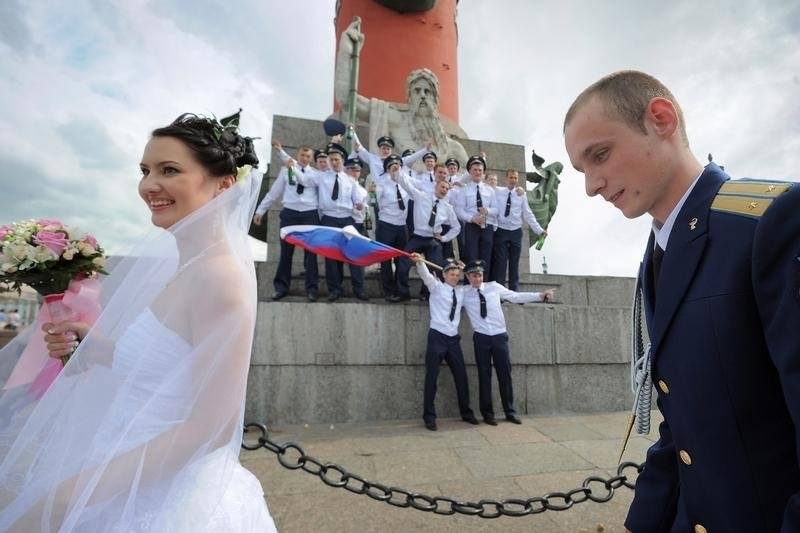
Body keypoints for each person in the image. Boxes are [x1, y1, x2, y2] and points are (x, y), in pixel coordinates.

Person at [0, 113, 277, 531]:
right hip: (123, 465)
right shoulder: (189, 267)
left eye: (170, 170)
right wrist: (95, 345)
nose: (149, 185)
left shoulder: (218, 277)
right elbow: (172, 365)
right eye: (145, 170)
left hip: (156, 493)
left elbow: (212, 425)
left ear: (223, 184)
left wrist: (73, 494)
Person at [563, 70, 800, 533]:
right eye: (582, 170)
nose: (592, 185)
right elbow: (687, 419)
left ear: (661, 119)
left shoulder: (770, 222)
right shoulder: (660, 253)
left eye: (600, 155)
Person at [461, 260, 554, 426]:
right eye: (474, 275)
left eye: (480, 275)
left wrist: (539, 295)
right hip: (481, 338)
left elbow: (515, 296)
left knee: (505, 375)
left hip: (499, 336)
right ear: (467, 276)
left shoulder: (494, 287)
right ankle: (487, 414)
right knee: (484, 376)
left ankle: (509, 411)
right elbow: (445, 291)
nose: (478, 279)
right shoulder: (463, 292)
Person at [409, 254, 478, 431]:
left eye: (457, 275)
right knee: (431, 377)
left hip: (453, 339)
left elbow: (476, 282)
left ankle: (466, 413)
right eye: (451, 274)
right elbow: (425, 275)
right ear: (444, 275)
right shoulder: (436, 287)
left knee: (461, 377)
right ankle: (429, 417)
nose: (455, 277)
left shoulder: (462, 291)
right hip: (437, 337)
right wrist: (420, 262)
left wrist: (466, 270)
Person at [295, 142, 368, 301]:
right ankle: (334, 290)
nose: (334, 162)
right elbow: (304, 180)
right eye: (331, 160)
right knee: (331, 257)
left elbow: (358, 199)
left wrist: (360, 204)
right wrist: (290, 164)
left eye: (337, 159)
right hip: (328, 219)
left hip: (347, 219)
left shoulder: (350, 180)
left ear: (342, 160)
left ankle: (359, 289)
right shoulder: (321, 177)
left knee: (353, 254)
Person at [253, 142, 320, 301]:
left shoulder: (315, 174)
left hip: (309, 214)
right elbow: (273, 193)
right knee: (286, 253)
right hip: (290, 213)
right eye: (302, 155)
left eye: (308, 156)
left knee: (311, 254)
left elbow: (305, 182)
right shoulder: (285, 171)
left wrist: (289, 162)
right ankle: (281, 288)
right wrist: (260, 211)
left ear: (311, 158)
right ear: (297, 155)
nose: (304, 158)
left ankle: (312, 289)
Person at [393, 165, 460, 302]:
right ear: (436, 187)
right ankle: (402, 293)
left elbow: (456, 227)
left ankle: (427, 294)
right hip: (417, 237)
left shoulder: (447, 208)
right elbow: (407, 185)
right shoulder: (421, 197)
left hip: (432, 240)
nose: (444, 191)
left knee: (436, 267)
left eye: (447, 189)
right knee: (403, 262)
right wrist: (397, 171)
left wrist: (444, 238)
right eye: (442, 187)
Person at [491, 169, 547, 290]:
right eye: (511, 178)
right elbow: (484, 187)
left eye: (515, 178)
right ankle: (500, 291)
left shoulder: (521, 194)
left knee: (514, 263)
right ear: (506, 179)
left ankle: (513, 290)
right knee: (500, 263)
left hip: (515, 231)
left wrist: (539, 230)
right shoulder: (498, 191)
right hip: (501, 230)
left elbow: (528, 214)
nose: (513, 180)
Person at [373, 155, 411, 300]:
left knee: (402, 259)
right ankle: (388, 290)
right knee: (386, 260)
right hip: (386, 225)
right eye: (392, 167)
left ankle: (402, 290)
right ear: (387, 169)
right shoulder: (381, 183)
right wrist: (372, 191)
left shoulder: (406, 182)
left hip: (402, 226)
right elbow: (373, 199)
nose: (395, 169)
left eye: (398, 167)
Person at [455, 156, 497, 271]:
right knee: (471, 258)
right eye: (475, 170)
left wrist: (488, 211)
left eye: (480, 170)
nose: (477, 172)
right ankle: (469, 286)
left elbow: (496, 209)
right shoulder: (464, 190)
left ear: (483, 172)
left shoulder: (490, 190)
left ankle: (484, 286)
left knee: (486, 259)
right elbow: (459, 210)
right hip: (471, 227)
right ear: (470, 172)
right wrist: (471, 219)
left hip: (487, 226)